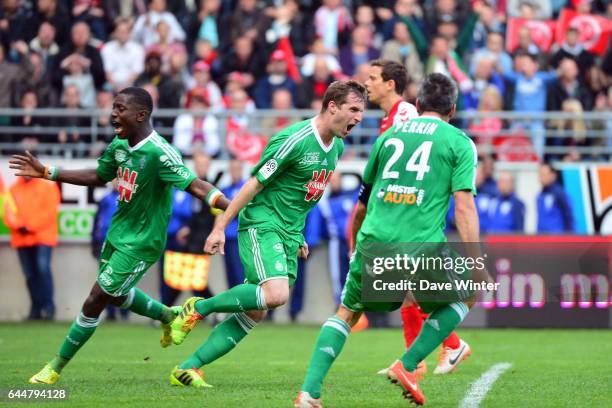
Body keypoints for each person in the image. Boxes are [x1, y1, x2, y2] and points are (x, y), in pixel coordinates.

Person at [10, 87, 229, 385]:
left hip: (142, 242)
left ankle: (53, 367)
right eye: (113, 107)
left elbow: (198, 186)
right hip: (117, 233)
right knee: (115, 294)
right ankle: (169, 316)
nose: (113, 113)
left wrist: (235, 209)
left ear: (141, 115)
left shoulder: (160, 153)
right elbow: (99, 176)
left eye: (120, 108)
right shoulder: (120, 144)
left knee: (96, 299)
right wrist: (49, 172)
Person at [295, 73, 483, 407]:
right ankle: (409, 364)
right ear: (452, 109)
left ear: (418, 103)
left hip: (375, 238)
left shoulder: (388, 136)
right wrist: (475, 260)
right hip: (420, 243)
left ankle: (308, 393)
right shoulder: (459, 142)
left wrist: (356, 242)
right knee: (467, 294)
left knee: (347, 313)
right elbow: (464, 206)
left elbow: (363, 203)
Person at [166, 80, 366, 388]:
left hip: (287, 231)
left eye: (362, 112)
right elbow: (254, 184)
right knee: (276, 295)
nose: (358, 118)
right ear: (332, 106)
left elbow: (303, 195)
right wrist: (219, 226)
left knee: (256, 311)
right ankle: (197, 308)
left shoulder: (336, 146)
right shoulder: (294, 139)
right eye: (353, 109)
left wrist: (297, 233)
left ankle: (188, 368)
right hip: (262, 223)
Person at [3, 176, 60, 320]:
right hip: (22, 238)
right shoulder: (13, 189)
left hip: (42, 237)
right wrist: (18, 225)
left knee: (43, 270)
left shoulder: (48, 187)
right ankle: (36, 309)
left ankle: (48, 307)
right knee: (29, 274)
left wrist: (29, 226)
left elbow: (49, 212)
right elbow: (8, 211)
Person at [537, 163, 574, 233]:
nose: (540, 178)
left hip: (557, 238)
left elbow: (568, 216)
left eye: (543, 175)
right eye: (539, 175)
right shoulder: (540, 196)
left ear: (553, 175)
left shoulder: (560, 193)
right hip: (542, 238)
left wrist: (569, 236)